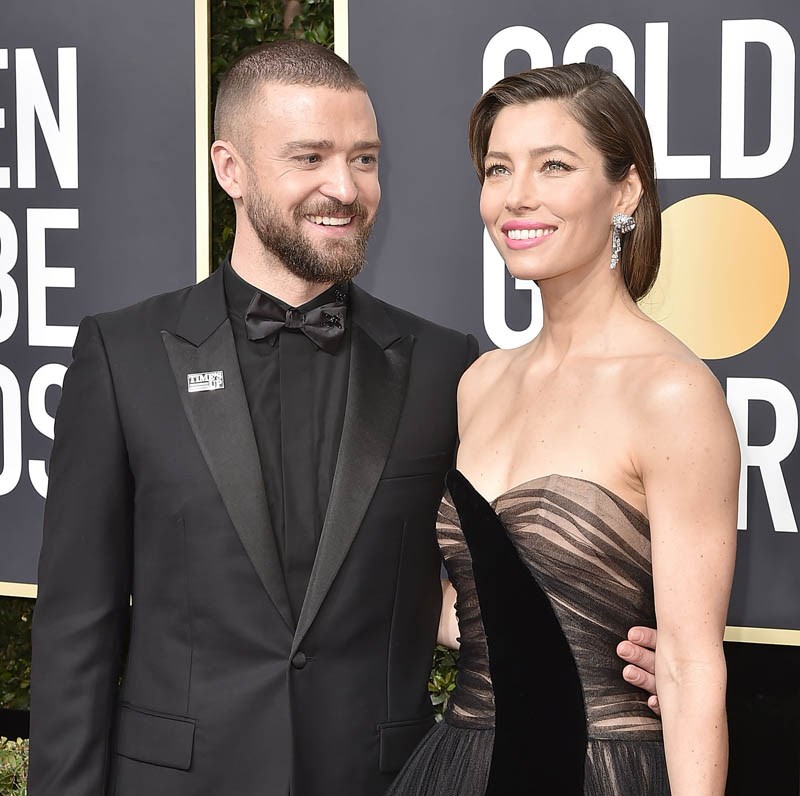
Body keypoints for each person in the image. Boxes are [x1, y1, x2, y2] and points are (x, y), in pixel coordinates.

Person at [28, 43, 659, 796]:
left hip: (384, 781)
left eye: (364, 159)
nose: (345, 187)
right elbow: (76, 629)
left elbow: (499, 574)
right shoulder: (123, 355)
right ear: (231, 169)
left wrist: (619, 656)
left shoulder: (445, 366)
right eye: (311, 157)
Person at [388, 63, 738, 796]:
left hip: (596, 770)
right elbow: (475, 603)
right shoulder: (481, 383)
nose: (517, 195)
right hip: (463, 763)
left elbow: (689, 665)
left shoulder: (671, 393)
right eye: (498, 169)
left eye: (554, 165)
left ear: (626, 191)